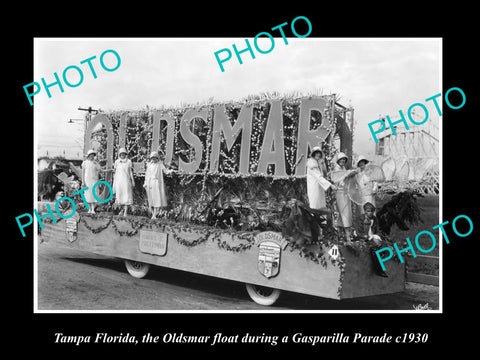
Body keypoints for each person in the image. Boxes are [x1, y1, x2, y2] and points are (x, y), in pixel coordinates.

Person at [354, 202, 387, 277]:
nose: (370, 213)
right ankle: (378, 270)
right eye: (368, 211)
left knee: (383, 245)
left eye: (372, 211)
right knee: (374, 249)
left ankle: (382, 260)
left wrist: (377, 235)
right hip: (363, 238)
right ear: (365, 211)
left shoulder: (374, 219)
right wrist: (368, 237)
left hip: (372, 237)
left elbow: (378, 229)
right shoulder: (361, 219)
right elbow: (358, 232)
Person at [332, 152, 355, 241]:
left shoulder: (344, 168)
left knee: (347, 213)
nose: (343, 161)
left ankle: (346, 235)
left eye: (344, 160)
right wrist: (346, 175)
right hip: (339, 193)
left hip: (346, 193)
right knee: (342, 213)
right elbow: (337, 181)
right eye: (341, 159)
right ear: (338, 160)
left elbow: (346, 181)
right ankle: (342, 235)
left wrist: (350, 175)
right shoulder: (336, 169)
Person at [143, 151, 170, 219]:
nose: (153, 160)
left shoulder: (160, 165)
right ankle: (153, 213)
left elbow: (165, 171)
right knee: (150, 198)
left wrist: (170, 171)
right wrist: (145, 183)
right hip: (150, 182)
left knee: (156, 198)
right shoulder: (149, 165)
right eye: (152, 158)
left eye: (155, 158)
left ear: (157, 158)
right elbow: (147, 175)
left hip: (156, 183)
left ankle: (154, 214)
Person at [113, 147, 134, 216]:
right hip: (119, 180)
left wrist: (132, 180)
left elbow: (130, 172)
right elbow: (115, 172)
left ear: (125, 154)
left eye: (124, 154)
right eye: (121, 154)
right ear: (119, 155)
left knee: (126, 195)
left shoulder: (129, 162)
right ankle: (121, 210)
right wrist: (114, 182)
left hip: (126, 180)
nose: (122, 155)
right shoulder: (117, 162)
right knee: (119, 195)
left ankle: (125, 211)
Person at [81, 149, 102, 214]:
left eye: (93, 155)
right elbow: (83, 172)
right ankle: (89, 208)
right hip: (87, 180)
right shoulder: (85, 163)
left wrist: (110, 170)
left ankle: (93, 209)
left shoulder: (95, 163)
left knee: (93, 193)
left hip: (94, 180)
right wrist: (83, 181)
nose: (92, 157)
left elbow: (100, 170)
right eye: (90, 155)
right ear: (88, 156)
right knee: (88, 194)